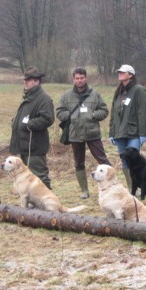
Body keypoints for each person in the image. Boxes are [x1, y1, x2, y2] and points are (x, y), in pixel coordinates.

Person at [57, 67, 111, 199]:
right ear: (73, 79)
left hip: (92, 133)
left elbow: (104, 110)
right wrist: (69, 115)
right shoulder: (66, 96)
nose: (79, 80)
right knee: (79, 163)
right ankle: (84, 191)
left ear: (86, 78)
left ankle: (110, 187)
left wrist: (93, 115)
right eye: (77, 78)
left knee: (102, 160)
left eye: (82, 78)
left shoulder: (95, 94)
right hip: (75, 133)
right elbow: (59, 112)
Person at [9, 66, 55, 189]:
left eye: (28, 80)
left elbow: (48, 119)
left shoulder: (43, 98)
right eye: (25, 79)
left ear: (36, 81)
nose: (25, 82)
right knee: (27, 178)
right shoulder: (29, 96)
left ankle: (46, 204)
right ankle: (33, 205)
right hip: (24, 145)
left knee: (39, 176)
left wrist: (29, 125)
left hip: (35, 146)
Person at [109, 64, 146, 191]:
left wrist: (143, 133)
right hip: (120, 133)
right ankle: (130, 188)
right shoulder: (119, 91)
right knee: (124, 161)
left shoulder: (139, 90)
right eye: (119, 72)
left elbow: (144, 112)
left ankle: (138, 188)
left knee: (134, 160)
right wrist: (112, 132)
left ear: (131, 75)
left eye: (123, 72)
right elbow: (113, 114)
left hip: (134, 133)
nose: (120, 73)